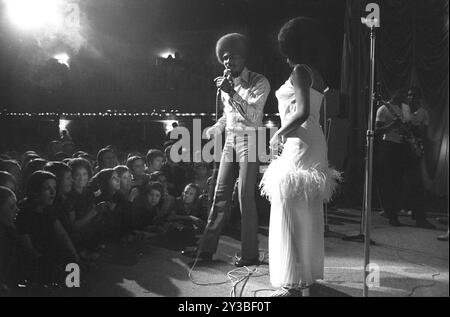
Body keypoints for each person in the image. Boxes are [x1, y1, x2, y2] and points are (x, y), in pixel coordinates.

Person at [260, 17, 340, 297]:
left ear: (288, 44)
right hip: (311, 142)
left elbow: (303, 111)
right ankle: (304, 280)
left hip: (301, 143)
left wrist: (276, 133)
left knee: (291, 209)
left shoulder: (299, 72)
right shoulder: (314, 72)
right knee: (305, 211)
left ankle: (295, 284)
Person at [182, 32, 271, 267]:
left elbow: (253, 116)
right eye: (224, 58)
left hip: (250, 141)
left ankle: (249, 254)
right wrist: (215, 127)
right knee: (219, 196)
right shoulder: (225, 84)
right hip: (230, 140)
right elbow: (227, 116)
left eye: (232, 57)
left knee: (244, 197)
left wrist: (231, 92)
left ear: (243, 57)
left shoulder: (259, 81)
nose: (228, 62)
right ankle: (205, 250)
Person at [374, 89, 411, 226]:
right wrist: (392, 126)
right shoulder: (383, 108)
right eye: (400, 92)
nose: (402, 95)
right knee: (389, 182)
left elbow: (408, 126)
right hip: (388, 147)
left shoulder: (404, 109)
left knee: (399, 182)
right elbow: (377, 131)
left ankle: (393, 212)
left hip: (402, 146)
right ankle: (392, 216)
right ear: (393, 92)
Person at [402, 87, 435, 229]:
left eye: (413, 95)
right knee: (403, 182)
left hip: (415, 149)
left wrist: (414, 129)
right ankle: (398, 209)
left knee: (417, 183)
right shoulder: (403, 110)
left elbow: (424, 133)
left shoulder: (423, 113)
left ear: (419, 98)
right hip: (402, 149)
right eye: (409, 95)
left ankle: (419, 216)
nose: (411, 98)